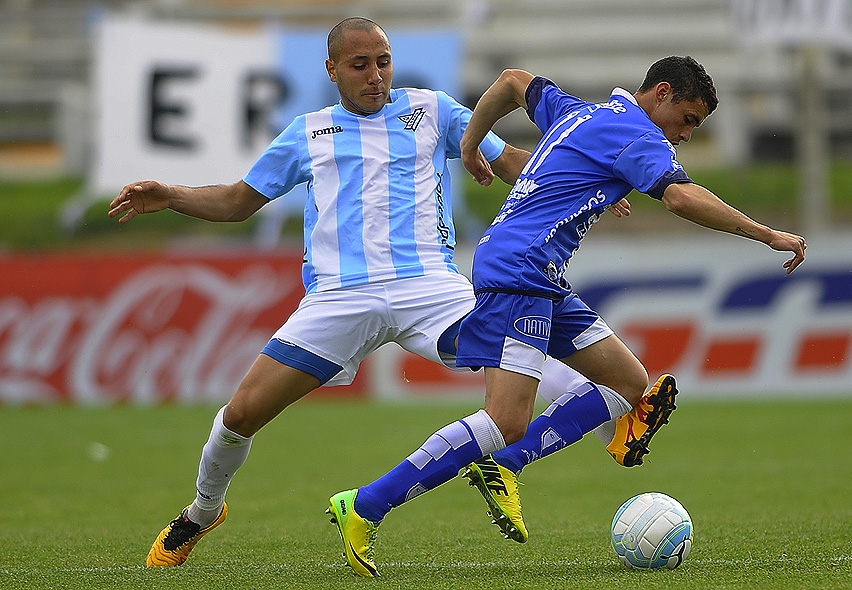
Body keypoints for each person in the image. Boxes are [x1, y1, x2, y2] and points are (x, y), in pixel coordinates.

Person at [109, 16, 629, 571]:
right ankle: (202, 510)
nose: (376, 75)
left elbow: (515, 165)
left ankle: (600, 427)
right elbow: (237, 202)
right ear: (332, 70)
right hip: (339, 298)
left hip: (431, 288)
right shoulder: (307, 133)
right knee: (239, 416)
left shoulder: (433, 110)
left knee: (535, 360)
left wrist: (587, 182)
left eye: (383, 61)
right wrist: (170, 195)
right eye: (361, 65)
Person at [328, 56, 807, 577]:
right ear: (661, 93)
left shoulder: (581, 113)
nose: (686, 135)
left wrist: (472, 144)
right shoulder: (637, 133)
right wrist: (767, 234)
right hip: (521, 271)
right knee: (506, 421)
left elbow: (513, 82)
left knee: (629, 380)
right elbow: (680, 197)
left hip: (537, 273)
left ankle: (534, 456)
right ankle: (367, 504)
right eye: (688, 120)